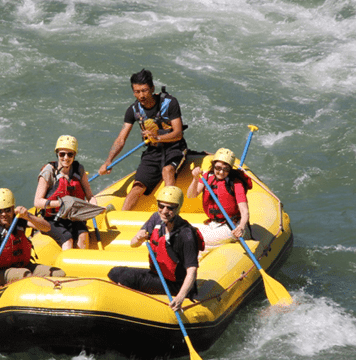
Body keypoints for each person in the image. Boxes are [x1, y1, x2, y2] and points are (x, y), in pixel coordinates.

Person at [98, 69, 187, 211]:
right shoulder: (133, 110)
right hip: (153, 151)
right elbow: (121, 139)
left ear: (152, 88)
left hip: (174, 148)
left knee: (167, 170)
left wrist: (157, 137)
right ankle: (122, 218)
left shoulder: (170, 103)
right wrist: (108, 161)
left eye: (144, 90)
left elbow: (178, 133)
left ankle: (170, 212)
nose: (141, 95)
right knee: (137, 186)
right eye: (137, 91)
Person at [107, 186, 203, 311]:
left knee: (127, 278)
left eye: (170, 207)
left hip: (176, 285)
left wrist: (180, 297)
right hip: (157, 275)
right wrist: (138, 238)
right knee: (115, 272)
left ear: (178, 208)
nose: (164, 211)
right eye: (161, 206)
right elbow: (133, 244)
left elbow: (192, 271)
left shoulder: (186, 234)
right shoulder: (156, 218)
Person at [0, 188, 65, 289]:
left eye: (7, 210)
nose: (3, 214)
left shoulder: (19, 218)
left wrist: (27, 216)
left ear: (12, 207)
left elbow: (46, 227)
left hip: (22, 266)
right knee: (24, 274)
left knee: (59, 274)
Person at [33, 135, 98, 250]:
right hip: (52, 219)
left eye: (70, 154)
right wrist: (60, 203)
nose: (66, 158)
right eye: (62, 154)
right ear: (57, 154)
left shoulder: (79, 169)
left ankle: (81, 265)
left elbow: (89, 195)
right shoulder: (48, 172)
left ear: (74, 155)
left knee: (83, 235)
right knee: (67, 240)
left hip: (74, 217)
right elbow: (37, 202)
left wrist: (95, 206)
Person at [187, 148, 253, 252]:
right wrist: (195, 178)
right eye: (218, 168)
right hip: (214, 223)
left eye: (226, 169)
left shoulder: (236, 184)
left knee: (193, 238)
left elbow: (244, 211)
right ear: (213, 166)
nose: (221, 172)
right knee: (185, 231)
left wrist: (241, 227)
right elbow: (191, 195)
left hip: (231, 226)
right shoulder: (207, 176)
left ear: (230, 170)